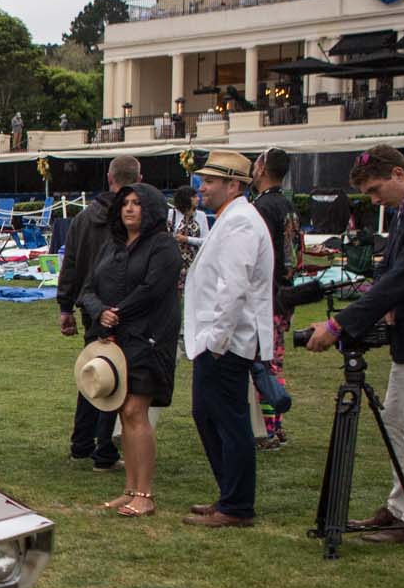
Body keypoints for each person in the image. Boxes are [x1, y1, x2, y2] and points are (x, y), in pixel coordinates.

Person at [305, 145, 404, 544]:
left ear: (399, 173)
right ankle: (401, 507)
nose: (375, 200)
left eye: (377, 190)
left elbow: (403, 278)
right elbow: (391, 274)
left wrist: (340, 324)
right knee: (399, 421)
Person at [180, 150, 275, 530]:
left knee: (227, 420)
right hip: (221, 339)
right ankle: (230, 496)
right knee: (209, 414)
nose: (202, 188)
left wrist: (215, 341)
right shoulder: (234, 219)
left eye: (211, 182)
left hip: (227, 342)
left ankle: (236, 505)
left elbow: (233, 287)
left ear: (234, 185)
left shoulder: (240, 224)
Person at [80, 181, 178, 516]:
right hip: (115, 341)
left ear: (150, 209)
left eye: (137, 203)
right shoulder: (112, 245)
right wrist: (99, 312)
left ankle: (145, 494)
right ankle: (131, 489)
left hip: (148, 340)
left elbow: (153, 290)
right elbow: (89, 287)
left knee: (136, 412)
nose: (129, 208)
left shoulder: (163, 245)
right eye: (125, 203)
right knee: (124, 411)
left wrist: (116, 312)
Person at [59, 156, 141, 471]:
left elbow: (71, 263)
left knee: (93, 372)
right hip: (118, 307)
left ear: (109, 178)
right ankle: (103, 449)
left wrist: (66, 306)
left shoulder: (83, 219)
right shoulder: (128, 220)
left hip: (89, 305)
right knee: (113, 378)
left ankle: (82, 443)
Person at [250, 148, 299, 449]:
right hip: (285, 292)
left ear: (263, 168)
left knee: (265, 362)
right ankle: (273, 425)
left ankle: (270, 428)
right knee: (271, 360)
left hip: (267, 297)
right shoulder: (287, 205)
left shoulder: (262, 208)